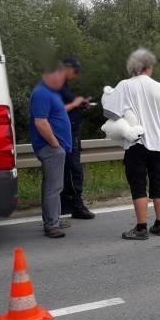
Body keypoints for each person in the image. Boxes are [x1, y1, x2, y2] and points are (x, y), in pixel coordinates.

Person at [103, 48, 160, 240]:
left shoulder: (124, 86)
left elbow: (110, 115)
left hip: (136, 145)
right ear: (148, 66)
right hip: (158, 145)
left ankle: (141, 228)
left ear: (133, 66)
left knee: (138, 185)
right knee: (159, 184)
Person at [29, 63, 73, 238]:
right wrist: (55, 144)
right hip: (50, 147)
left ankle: (53, 218)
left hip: (54, 147)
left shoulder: (49, 92)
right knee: (53, 188)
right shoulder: (41, 93)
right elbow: (40, 122)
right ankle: (52, 225)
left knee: (54, 186)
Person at [59, 57, 95, 220]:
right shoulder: (56, 86)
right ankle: (76, 204)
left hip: (71, 129)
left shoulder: (62, 85)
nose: (76, 75)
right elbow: (58, 109)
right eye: (75, 71)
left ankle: (66, 204)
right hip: (67, 131)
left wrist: (80, 104)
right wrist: (75, 104)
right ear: (67, 68)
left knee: (70, 168)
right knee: (73, 169)